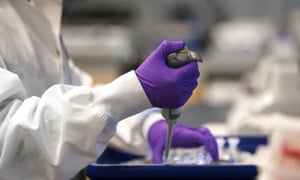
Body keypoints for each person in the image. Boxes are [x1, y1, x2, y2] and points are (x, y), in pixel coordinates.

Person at [0, 0, 218, 180]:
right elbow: (9, 142)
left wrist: (146, 127)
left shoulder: (35, 9)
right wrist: (134, 90)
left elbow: (76, 96)